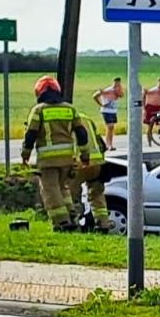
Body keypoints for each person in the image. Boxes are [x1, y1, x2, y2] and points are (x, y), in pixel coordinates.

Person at [19, 76, 107, 232]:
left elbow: (30, 134)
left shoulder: (39, 110)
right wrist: (85, 156)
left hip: (48, 160)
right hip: (68, 159)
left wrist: (25, 154)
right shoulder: (70, 109)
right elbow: (82, 134)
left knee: (50, 189)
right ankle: (71, 215)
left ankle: (61, 222)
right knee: (63, 187)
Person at [93, 77, 123, 151]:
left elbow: (121, 95)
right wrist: (101, 104)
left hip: (113, 111)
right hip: (106, 110)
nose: (117, 85)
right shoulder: (108, 90)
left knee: (111, 128)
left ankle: (110, 144)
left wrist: (118, 91)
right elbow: (95, 96)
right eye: (116, 83)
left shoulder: (118, 90)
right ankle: (108, 144)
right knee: (110, 126)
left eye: (119, 83)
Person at [142, 77, 160, 144]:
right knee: (150, 125)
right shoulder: (153, 89)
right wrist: (144, 107)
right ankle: (149, 142)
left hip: (159, 108)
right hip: (150, 108)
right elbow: (144, 95)